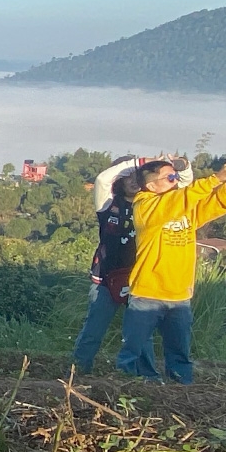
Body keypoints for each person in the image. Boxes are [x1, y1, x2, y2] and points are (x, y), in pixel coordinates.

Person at [115, 155, 226, 383]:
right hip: (148, 293)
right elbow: (181, 199)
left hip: (180, 295)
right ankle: (132, 392)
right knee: (135, 351)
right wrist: (217, 177)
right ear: (151, 185)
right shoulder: (145, 205)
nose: (175, 180)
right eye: (169, 177)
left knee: (179, 353)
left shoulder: (183, 206)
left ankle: (181, 390)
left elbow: (216, 203)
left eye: (176, 176)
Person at [71, 154, 192, 374]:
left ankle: (143, 379)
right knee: (93, 331)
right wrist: (137, 163)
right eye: (128, 176)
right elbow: (102, 180)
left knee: (140, 337)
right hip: (106, 278)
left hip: (140, 280)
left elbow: (184, 189)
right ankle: (77, 372)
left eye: (139, 176)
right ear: (120, 178)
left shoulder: (154, 205)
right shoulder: (108, 203)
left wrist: (175, 168)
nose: (134, 180)